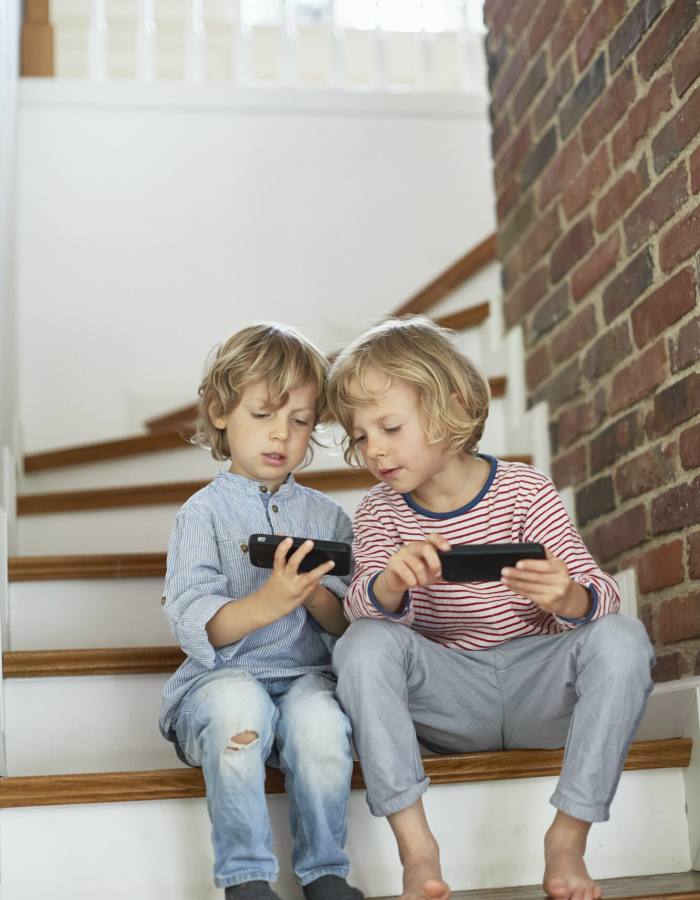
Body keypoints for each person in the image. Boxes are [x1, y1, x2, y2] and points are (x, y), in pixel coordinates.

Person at [326, 316, 654, 900]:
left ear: (451, 408)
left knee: (623, 636)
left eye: (390, 426)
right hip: (449, 698)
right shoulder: (380, 510)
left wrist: (567, 596)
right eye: (360, 436)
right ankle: (418, 852)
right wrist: (392, 584)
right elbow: (357, 605)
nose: (373, 448)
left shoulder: (525, 489)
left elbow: (599, 591)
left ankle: (567, 840)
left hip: (538, 686)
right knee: (363, 641)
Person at [159, 323, 363, 900]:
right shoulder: (200, 516)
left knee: (322, 726)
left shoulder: (329, 518)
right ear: (221, 411)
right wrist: (266, 603)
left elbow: (350, 622)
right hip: (221, 680)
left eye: (299, 421)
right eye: (264, 414)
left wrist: (315, 596)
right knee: (238, 707)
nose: (282, 433)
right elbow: (194, 617)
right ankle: (246, 878)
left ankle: (325, 870)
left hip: (304, 678)